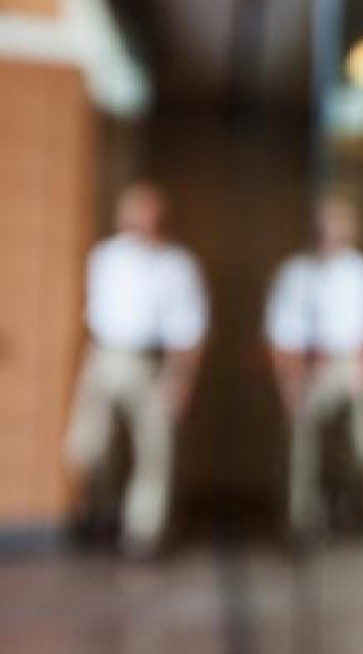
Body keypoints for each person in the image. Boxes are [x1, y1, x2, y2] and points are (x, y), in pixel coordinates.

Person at [65, 182, 208, 558]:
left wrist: (180, 378)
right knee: (88, 446)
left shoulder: (177, 265)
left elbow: (188, 328)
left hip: (150, 363)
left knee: (154, 452)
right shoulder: (105, 257)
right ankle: (97, 512)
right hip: (104, 356)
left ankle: (143, 531)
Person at [266, 194, 363, 538]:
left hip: (350, 364)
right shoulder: (296, 273)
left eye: (338, 223)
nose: (330, 231)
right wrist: (290, 381)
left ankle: (348, 504)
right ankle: (304, 517)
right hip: (309, 366)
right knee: (302, 441)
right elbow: (280, 332)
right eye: (325, 224)